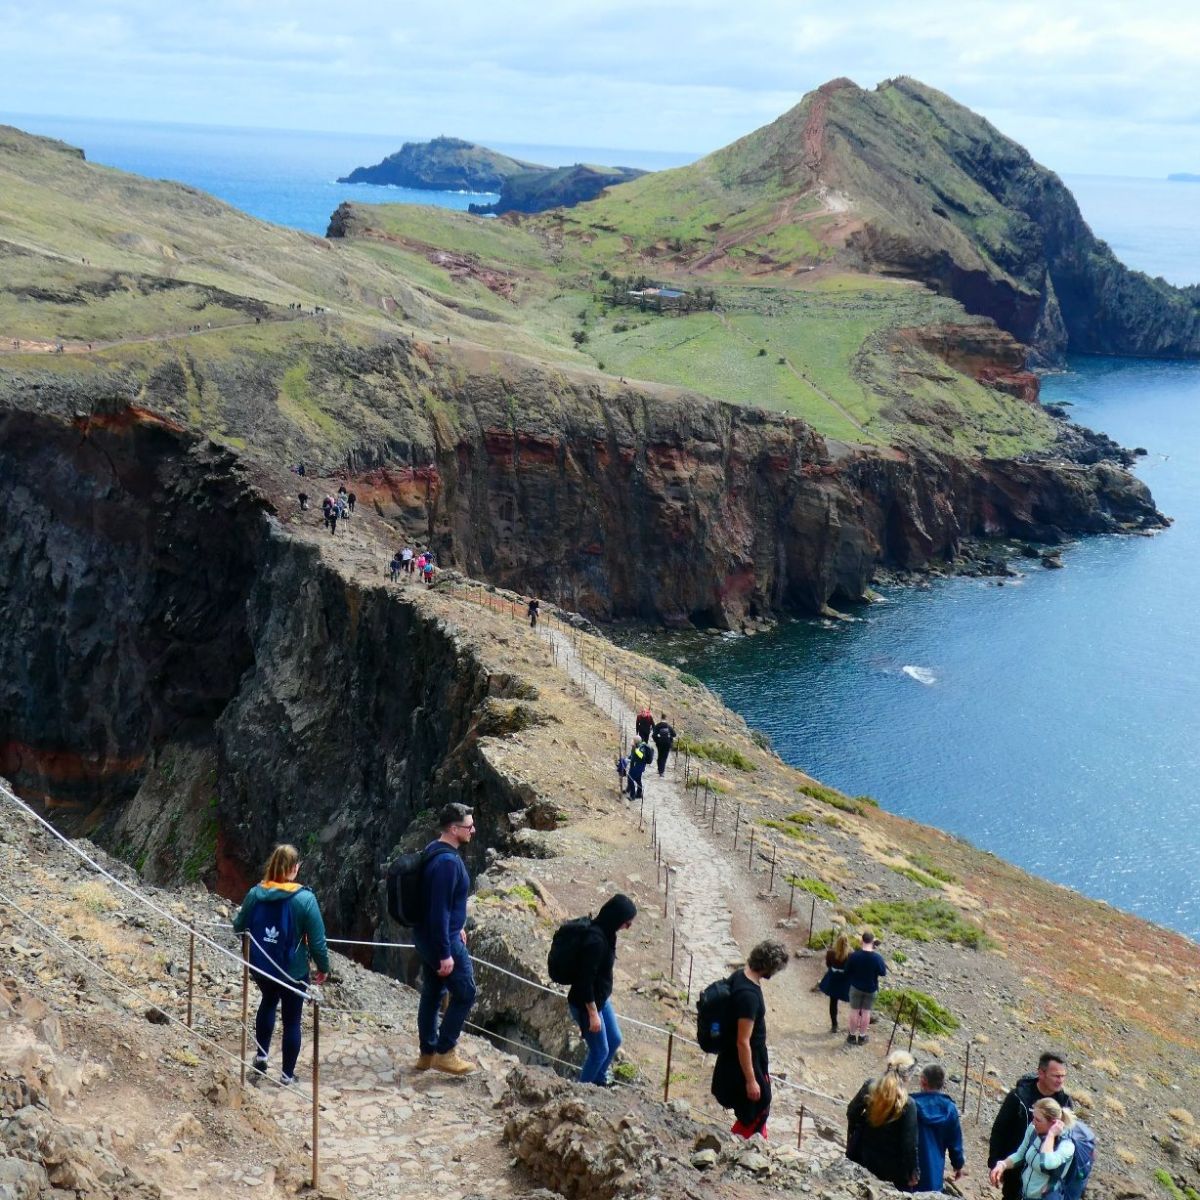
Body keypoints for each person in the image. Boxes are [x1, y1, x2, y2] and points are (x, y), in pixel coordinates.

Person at [232, 844, 329, 1085]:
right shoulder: (305, 899)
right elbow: (318, 942)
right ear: (295, 868)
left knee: (267, 1002)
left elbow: (238, 925)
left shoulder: (256, 893)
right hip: (293, 970)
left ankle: (261, 1056)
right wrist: (323, 967)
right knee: (292, 1020)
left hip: (262, 966)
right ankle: (287, 1075)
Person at [411, 803, 478, 1075]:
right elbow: (439, 910)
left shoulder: (432, 849)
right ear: (453, 829)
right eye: (468, 826)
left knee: (433, 992)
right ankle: (445, 1052)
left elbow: (439, 904)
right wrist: (445, 953)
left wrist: (456, 925)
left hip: (428, 938)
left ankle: (427, 1053)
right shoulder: (448, 863)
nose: (473, 830)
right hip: (442, 941)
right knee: (466, 992)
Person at [711, 939, 790, 1139]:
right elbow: (743, 1041)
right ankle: (741, 1143)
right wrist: (751, 1080)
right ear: (770, 966)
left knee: (757, 1107)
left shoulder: (739, 976)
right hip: (746, 1059)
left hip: (736, 1055)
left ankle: (756, 1141)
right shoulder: (749, 997)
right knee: (758, 1105)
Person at [566, 894, 638, 1085]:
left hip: (601, 1000)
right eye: (627, 923)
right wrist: (592, 1015)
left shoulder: (608, 933)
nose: (628, 927)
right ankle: (582, 1090)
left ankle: (598, 1080)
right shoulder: (596, 942)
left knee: (615, 1040)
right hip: (586, 1004)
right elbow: (584, 981)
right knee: (599, 1051)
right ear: (617, 918)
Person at [989, 1053, 1072, 1200]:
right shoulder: (1019, 1096)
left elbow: (1066, 1149)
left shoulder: (1064, 1102)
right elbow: (999, 1131)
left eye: (1063, 1076)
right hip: (1016, 1170)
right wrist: (996, 1163)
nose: (1060, 1080)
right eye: (1056, 1076)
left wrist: (1055, 1182)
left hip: (1045, 1182)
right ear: (1041, 1073)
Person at [846, 1050, 919, 1189]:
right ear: (908, 1076)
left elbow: (852, 1112)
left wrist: (857, 1132)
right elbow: (909, 1144)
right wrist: (913, 1172)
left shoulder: (870, 1086)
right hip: (892, 1170)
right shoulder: (908, 1104)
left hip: (863, 1157)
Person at [989, 1098, 1075, 1199]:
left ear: (1053, 1123)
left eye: (1038, 1120)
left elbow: (1046, 1163)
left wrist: (1051, 1135)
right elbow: (1020, 1154)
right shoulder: (1033, 1130)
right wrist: (1002, 1165)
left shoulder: (1066, 1146)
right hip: (1025, 1195)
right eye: (1033, 1117)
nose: (1033, 1122)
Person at [911, 1062, 965, 1192]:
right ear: (942, 1083)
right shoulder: (950, 1109)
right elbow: (955, 1142)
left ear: (923, 1081)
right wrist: (958, 1165)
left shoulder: (910, 1104)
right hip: (933, 1176)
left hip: (908, 1173)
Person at [843, 929, 887, 1045]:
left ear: (862, 941)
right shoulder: (877, 958)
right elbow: (883, 973)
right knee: (866, 1012)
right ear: (872, 942)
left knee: (854, 1011)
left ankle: (852, 1036)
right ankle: (862, 1037)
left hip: (856, 987)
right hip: (871, 989)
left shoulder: (854, 955)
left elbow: (847, 971)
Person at [818, 931, 852, 1033]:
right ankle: (854, 1024)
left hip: (833, 978)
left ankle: (834, 1025)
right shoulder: (851, 954)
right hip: (845, 980)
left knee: (833, 1002)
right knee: (852, 1002)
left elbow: (828, 965)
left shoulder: (830, 952)